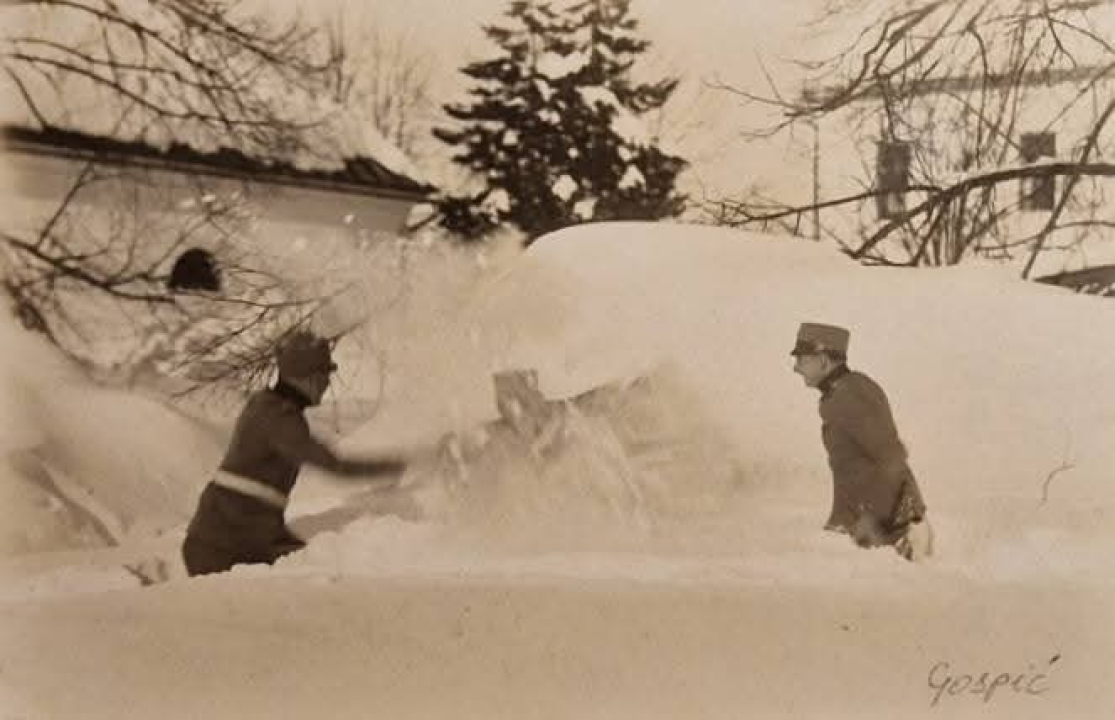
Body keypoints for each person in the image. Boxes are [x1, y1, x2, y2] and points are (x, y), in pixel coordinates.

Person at [182, 331, 407, 576]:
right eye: (324, 374)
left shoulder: (267, 405)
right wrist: (398, 466)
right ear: (307, 377)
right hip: (223, 549)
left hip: (235, 538)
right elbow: (333, 466)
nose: (327, 383)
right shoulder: (279, 418)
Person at [791, 322, 933, 561]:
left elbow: (891, 455)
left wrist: (906, 522)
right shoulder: (843, 392)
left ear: (823, 360)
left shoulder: (851, 394)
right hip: (861, 526)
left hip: (887, 535)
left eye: (802, 360)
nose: (795, 368)